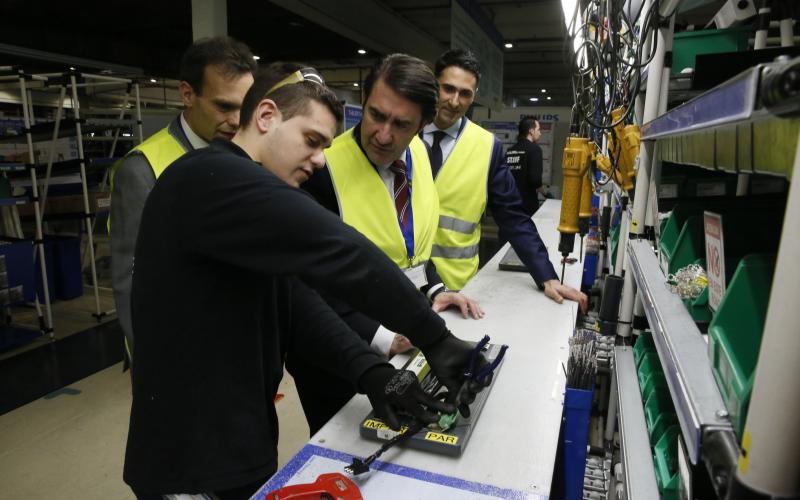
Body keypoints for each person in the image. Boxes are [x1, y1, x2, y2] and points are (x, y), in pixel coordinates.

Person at [123, 65, 489, 499]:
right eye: (312, 141)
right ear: (265, 116)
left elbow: (296, 303)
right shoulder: (206, 177)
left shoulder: (239, 207)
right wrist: (435, 338)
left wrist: (373, 374)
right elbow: (341, 252)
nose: (319, 161)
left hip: (239, 448)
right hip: (190, 464)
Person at [298, 54, 483, 433]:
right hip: (341, 353)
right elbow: (308, 285)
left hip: (404, 332)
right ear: (364, 103)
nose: (383, 135)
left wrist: (434, 289)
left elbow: (408, 246)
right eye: (376, 115)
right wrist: (383, 338)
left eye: (401, 124)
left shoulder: (415, 155)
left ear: (423, 127)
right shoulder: (319, 168)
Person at [109, 36, 256, 363]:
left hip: (236, 340)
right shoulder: (144, 170)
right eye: (224, 106)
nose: (236, 120)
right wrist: (154, 362)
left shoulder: (245, 156)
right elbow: (131, 282)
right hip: (177, 354)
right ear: (187, 94)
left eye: (244, 107)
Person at [421, 48, 587, 311]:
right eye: (448, 89)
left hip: (457, 289)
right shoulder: (403, 134)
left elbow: (513, 216)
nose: (454, 101)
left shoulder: (487, 147)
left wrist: (546, 275)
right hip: (402, 280)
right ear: (434, 86)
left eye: (465, 93)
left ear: (474, 96)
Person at [505, 117, 547, 216]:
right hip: (526, 204)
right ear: (531, 131)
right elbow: (535, 180)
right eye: (538, 130)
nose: (540, 133)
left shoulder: (510, 150)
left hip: (508, 202)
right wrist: (545, 193)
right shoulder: (535, 149)